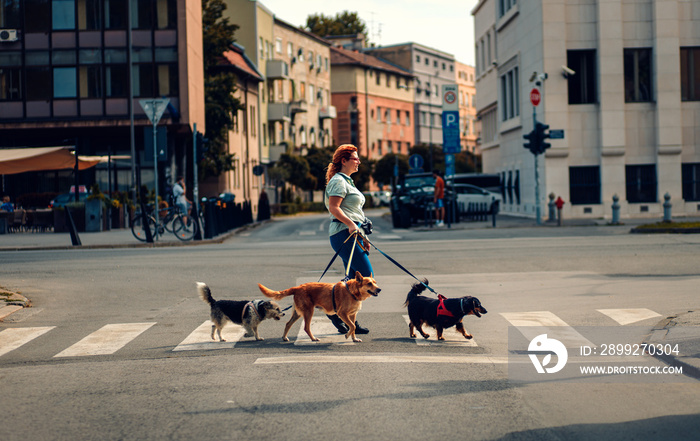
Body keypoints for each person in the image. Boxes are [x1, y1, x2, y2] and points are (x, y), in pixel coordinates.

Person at [324, 144, 371, 335]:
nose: (358, 161)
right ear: (344, 161)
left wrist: (363, 236)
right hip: (344, 233)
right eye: (355, 158)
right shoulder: (338, 181)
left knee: (353, 280)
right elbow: (334, 207)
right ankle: (338, 312)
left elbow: (354, 211)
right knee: (366, 276)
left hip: (353, 233)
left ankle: (344, 317)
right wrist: (351, 224)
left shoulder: (348, 181)